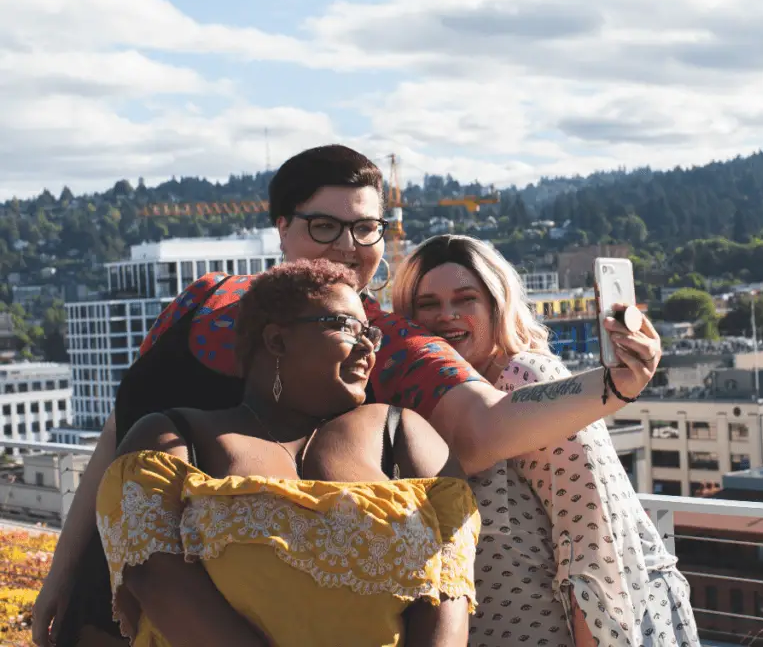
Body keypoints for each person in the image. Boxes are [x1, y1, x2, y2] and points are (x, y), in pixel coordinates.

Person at [36, 145, 662, 646]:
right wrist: (61, 574)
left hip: (253, 615)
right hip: (118, 585)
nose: (349, 245)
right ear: (281, 227)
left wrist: (614, 383)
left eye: (367, 228)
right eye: (325, 225)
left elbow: (486, 427)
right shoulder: (201, 298)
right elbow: (118, 436)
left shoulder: (383, 339)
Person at [96, 258, 480, 646]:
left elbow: (450, 591)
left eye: (371, 334)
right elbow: (157, 580)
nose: (368, 346)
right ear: (277, 340)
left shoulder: (401, 435)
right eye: (347, 326)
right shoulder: (172, 439)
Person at [391, 234, 700, 647]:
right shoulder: (422, 404)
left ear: (497, 306)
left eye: (466, 299)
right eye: (428, 304)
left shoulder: (526, 377)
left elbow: (594, 542)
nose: (446, 315)